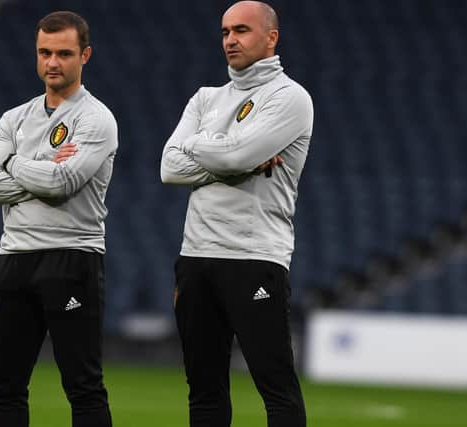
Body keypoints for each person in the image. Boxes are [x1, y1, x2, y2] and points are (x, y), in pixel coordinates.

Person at [160, 1, 313, 426]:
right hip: (196, 257)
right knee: (203, 390)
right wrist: (235, 156)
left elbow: (235, 155)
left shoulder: (290, 98)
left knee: (276, 386)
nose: (230, 40)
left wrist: (209, 147)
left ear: (271, 37)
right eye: (226, 31)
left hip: (254, 256)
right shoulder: (206, 97)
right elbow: (169, 167)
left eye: (242, 30)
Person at [0, 11, 116, 427]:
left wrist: (14, 162)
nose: (52, 62)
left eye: (63, 53)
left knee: (83, 386)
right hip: (14, 258)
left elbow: (64, 182)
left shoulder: (96, 119)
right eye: (44, 53)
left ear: (84, 56)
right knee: (3, 384)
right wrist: (41, 165)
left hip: (72, 257)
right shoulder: (13, 118)